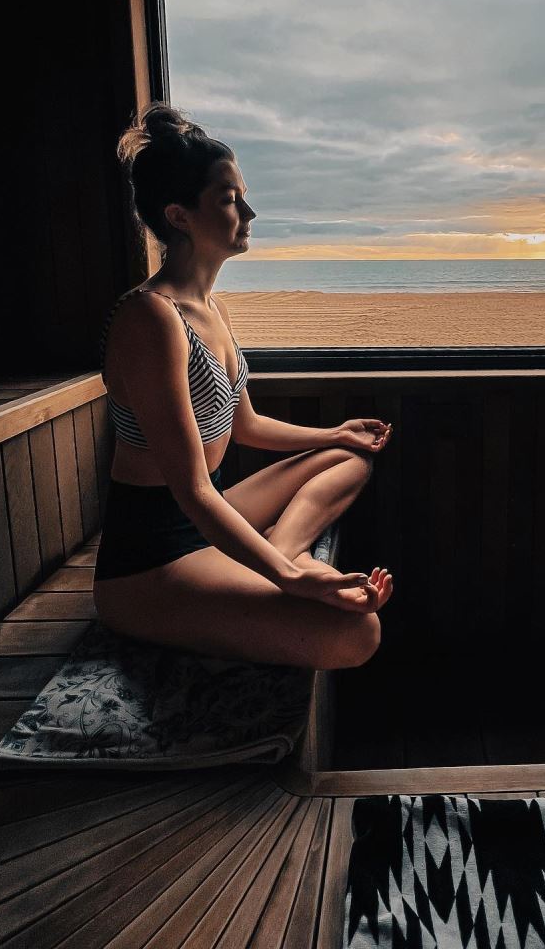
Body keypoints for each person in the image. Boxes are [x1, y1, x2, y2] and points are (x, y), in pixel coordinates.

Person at [92, 102, 394, 669]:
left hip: (205, 514)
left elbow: (247, 425)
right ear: (179, 216)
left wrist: (335, 431)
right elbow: (192, 490)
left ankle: (282, 547)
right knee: (358, 633)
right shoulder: (149, 318)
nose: (249, 211)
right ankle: (282, 560)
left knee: (349, 457)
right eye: (230, 199)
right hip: (151, 562)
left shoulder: (213, 309)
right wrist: (293, 582)